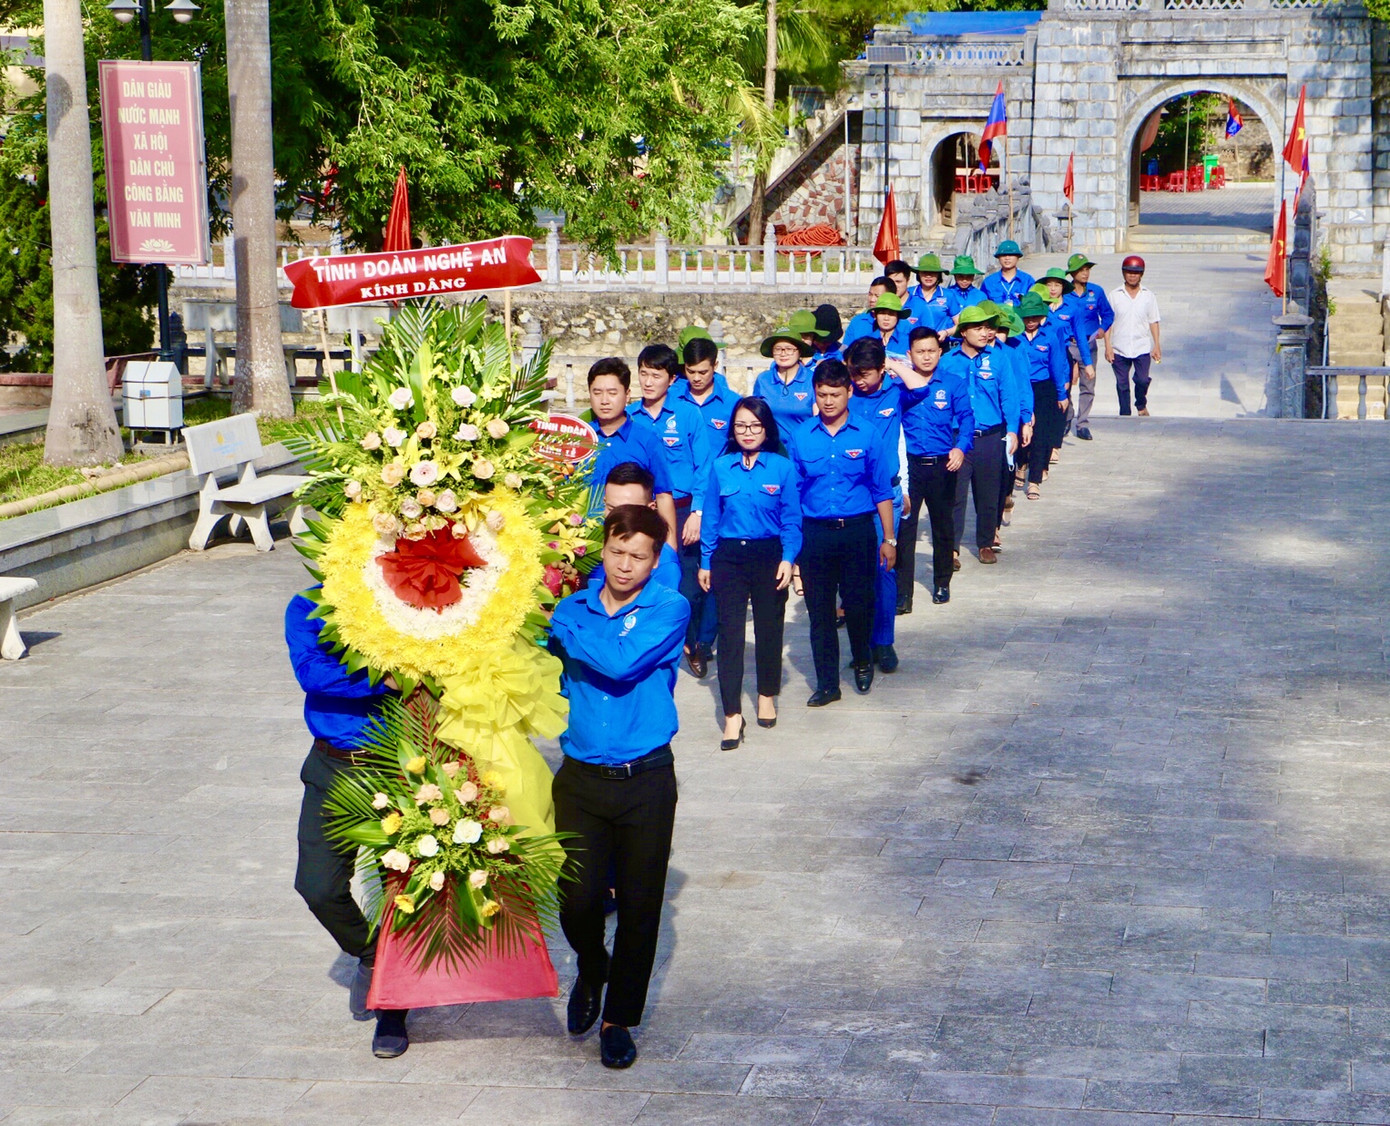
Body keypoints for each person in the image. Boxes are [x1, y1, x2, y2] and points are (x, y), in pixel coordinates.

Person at [548, 504, 691, 1071]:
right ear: (602, 549)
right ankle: (591, 965)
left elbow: (620, 662)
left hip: (645, 780)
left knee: (639, 906)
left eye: (638, 556)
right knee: (576, 900)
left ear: (655, 562)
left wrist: (560, 628)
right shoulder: (572, 605)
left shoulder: (669, 607)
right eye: (616, 551)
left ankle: (618, 1020)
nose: (625, 565)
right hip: (580, 779)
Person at [286, 592, 408, 1058]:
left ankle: (393, 1009)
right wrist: (382, 678)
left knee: (400, 889)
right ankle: (372, 953)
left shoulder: (403, 602)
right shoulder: (308, 605)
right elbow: (312, 673)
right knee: (317, 886)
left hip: (395, 767)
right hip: (332, 766)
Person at [791, 360, 896, 705]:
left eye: (835, 394)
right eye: (822, 394)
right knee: (820, 612)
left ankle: (863, 661)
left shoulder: (867, 433)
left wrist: (889, 539)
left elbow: (882, 490)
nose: (828, 401)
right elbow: (793, 494)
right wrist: (791, 549)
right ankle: (827, 684)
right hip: (815, 534)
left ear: (849, 392)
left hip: (857, 532)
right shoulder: (801, 436)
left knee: (859, 604)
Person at [698, 397, 801, 747]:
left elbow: (791, 519)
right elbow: (711, 518)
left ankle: (767, 693)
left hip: (769, 555)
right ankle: (732, 715)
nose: (747, 432)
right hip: (729, 557)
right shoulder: (721, 467)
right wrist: (706, 561)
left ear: (767, 429)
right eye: (741, 425)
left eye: (755, 426)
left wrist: (788, 558)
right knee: (730, 635)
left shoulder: (782, 467)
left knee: (769, 630)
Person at [626, 344, 710, 677]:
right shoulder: (630, 416)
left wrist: (698, 513)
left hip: (682, 508)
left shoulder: (688, 414)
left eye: (656, 375)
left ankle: (692, 642)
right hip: (642, 511)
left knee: (688, 585)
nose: (648, 382)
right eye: (643, 374)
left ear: (672, 379)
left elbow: (704, 467)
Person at [887, 327, 973, 607]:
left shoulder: (953, 383)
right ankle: (903, 594)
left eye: (932, 351)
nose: (926, 357)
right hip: (910, 467)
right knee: (905, 529)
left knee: (942, 526)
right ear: (909, 354)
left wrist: (960, 448)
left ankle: (942, 583)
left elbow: (967, 419)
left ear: (940, 352)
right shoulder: (900, 386)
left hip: (942, 465)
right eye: (920, 352)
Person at [674, 335, 739, 667]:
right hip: (684, 501)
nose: (697, 378)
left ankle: (706, 638)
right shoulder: (672, 399)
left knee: (715, 568)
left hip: (723, 500)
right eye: (691, 371)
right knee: (687, 572)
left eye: (703, 371)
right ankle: (687, 635)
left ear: (716, 366)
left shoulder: (732, 404)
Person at [942, 305, 1020, 566]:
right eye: (978, 328)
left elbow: (1009, 395)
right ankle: (951, 549)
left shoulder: (999, 359)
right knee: (955, 495)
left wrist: (1012, 430)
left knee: (989, 493)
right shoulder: (948, 361)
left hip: (990, 436)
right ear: (963, 332)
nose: (985, 333)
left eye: (988, 328)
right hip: (958, 438)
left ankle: (985, 542)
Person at [845, 336, 905, 673]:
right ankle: (862, 644)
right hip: (853, 495)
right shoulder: (846, 395)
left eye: (865, 373)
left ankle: (884, 641)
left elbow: (922, 386)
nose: (859, 380)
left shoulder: (896, 393)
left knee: (884, 569)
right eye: (854, 373)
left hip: (887, 494)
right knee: (856, 574)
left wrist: (894, 365)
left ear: (881, 369)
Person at [586, 357, 678, 545]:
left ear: (627, 395)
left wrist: (670, 550)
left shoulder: (648, 441)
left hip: (633, 541)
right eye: (597, 393)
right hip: (583, 543)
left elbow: (663, 495)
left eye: (612, 393)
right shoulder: (578, 438)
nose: (604, 400)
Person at [588, 462, 683, 590]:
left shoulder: (664, 565)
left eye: (629, 510)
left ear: (651, 509)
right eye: (611, 508)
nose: (618, 519)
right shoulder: (586, 546)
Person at [1015, 292, 1070, 500]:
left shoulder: (1050, 337)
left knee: (1040, 435)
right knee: (1021, 429)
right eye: (1026, 317)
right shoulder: (1014, 338)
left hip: (1043, 389)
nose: (1030, 321)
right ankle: (1021, 463)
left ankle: (1034, 480)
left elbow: (1057, 367)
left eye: (1034, 317)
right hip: (1020, 388)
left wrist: (1061, 394)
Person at [1062, 253, 1115, 441]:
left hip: (1089, 342)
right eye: (1080, 270)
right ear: (1072, 273)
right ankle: (1067, 417)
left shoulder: (1096, 292)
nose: (1085, 273)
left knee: (1088, 384)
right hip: (1068, 344)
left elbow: (1108, 314)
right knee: (1065, 383)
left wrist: (1102, 329)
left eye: (1087, 270)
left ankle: (1082, 423)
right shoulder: (1064, 293)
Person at [1105, 254, 1162, 417]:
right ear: (1123, 273)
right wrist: (1108, 346)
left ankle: (1141, 404)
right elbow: (1108, 322)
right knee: (1122, 384)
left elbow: (1154, 321)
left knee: (1142, 380)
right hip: (1119, 348)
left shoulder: (1148, 296)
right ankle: (1125, 414)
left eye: (1136, 273)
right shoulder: (1114, 295)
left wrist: (1157, 345)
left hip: (1141, 346)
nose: (1132, 276)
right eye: (1129, 272)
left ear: (1141, 274)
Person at [751, 326, 815, 450]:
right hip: (771, 449)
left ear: (799, 352)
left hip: (804, 447)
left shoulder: (812, 379)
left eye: (789, 349)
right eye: (778, 349)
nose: (783, 353)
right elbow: (755, 416)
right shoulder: (763, 380)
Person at [980, 240, 1036, 308]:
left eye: (1011, 255)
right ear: (998, 258)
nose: (1007, 258)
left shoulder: (1028, 281)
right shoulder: (989, 282)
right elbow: (983, 306)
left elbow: (1034, 305)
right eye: (1003, 255)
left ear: (1018, 258)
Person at [908, 253, 954, 328]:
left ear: (938, 275)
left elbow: (958, 323)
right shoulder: (908, 293)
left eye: (932, 272)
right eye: (924, 272)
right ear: (918, 274)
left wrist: (946, 332)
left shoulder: (948, 295)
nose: (928, 276)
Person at [863, 292, 913, 359]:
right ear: (875, 315)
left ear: (898, 317)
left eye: (891, 314)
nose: (886, 318)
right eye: (882, 313)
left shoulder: (908, 341)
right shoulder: (867, 341)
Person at [883, 258, 931, 327]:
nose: (894, 285)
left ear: (907, 280)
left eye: (898, 282)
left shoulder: (921, 306)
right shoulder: (880, 304)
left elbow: (929, 332)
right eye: (891, 281)